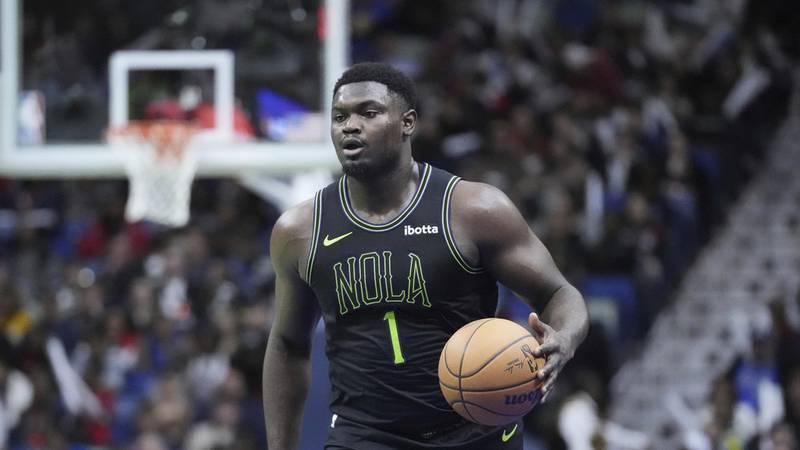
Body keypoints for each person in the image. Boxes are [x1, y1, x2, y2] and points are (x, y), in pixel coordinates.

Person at [263, 62, 589, 450]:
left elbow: (560, 294)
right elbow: (287, 344)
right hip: (365, 437)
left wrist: (563, 338)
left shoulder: (473, 210)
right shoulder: (300, 230)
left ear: (408, 123)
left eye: (368, 112)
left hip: (476, 431)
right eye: (339, 116)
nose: (350, 125)